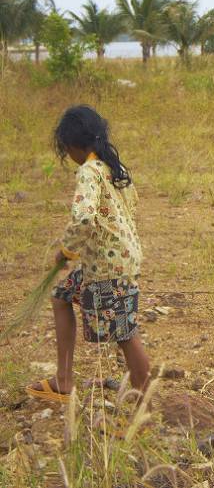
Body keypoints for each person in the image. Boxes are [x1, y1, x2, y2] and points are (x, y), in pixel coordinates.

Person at [26, 105, 150, 404]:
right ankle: (64, 380)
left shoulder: (88, 171)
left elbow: (84, 218)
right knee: (61, 296)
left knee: (125, 334)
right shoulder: (113, 168)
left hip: (108, 266)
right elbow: (130, 207)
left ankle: (145, 407)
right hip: (113, 259)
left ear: (71, 144)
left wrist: (66, 250)